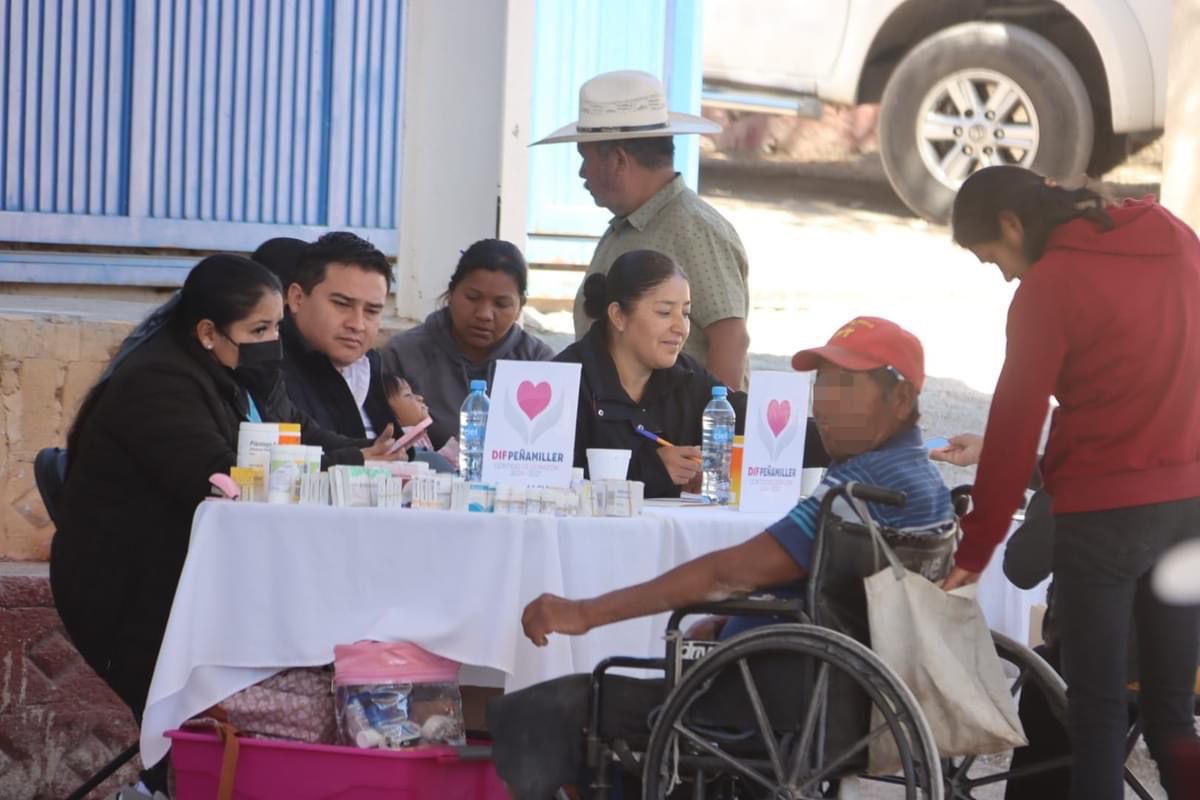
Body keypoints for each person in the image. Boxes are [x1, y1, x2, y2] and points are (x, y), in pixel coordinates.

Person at [487, 316, 954, 798]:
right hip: (842, 690)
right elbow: (821, 587)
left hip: (771, 697)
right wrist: (731, 622)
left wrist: (583, 613)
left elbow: (726, 574)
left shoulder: (861, 489)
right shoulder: (924, 485)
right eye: (823, 384)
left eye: (845, 386)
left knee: (560, 707)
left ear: (900, 399)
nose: (825, 403)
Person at [50, 255, 398, 799]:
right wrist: (345, 466)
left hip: (209, 580)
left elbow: (299, 435)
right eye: (259, 330)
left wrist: (366, 455)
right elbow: (220, 477)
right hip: (137, 593)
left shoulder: (242, 370)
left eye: (277, 327)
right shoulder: (158, 382)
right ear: (208, 332)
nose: (273, 342)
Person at [942, 166, 1200, 800]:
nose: (1002, 273)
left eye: (991, 257)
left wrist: (974, 553)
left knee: (1097, 719)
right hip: (1189, 510)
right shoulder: (1171, 234)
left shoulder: (1048, 287)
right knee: (1172, 715)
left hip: (1102, 518)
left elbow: (1011, 428)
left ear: (1011, 224)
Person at [532, 70, 751, 389]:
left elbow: (729, 339)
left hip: (672, 434)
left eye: (585, 158)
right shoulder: (625, 226)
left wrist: (714, 429)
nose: (581, 172)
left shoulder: (695, 230)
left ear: (618, 160)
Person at [556, 249, 759, 497]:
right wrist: (651, 470)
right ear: (618, 316)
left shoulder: (687, 375)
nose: (681, 328)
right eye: (664, 312)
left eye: (685, 314)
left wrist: (819, 428)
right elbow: (543, 480)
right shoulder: (564, 380)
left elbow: (751, 419)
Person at [381, 239, 554, 449]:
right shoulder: (403, 354)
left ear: (520, 306)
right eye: (472, 298)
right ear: (451, 293)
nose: (484, 314)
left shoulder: (539, 363)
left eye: (501, 304)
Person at [262, 232, 399, 440]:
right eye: (342, 304)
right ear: (297, 298)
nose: (357, 324)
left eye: (372, 311)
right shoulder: (269, 370)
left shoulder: (369, 366)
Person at [382, 373, 458, 467]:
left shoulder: (417, 435)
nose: (420, 398)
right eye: (408, 395)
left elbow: (437, 464)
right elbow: (433, 464)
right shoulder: (400, 442)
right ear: (386, 409)